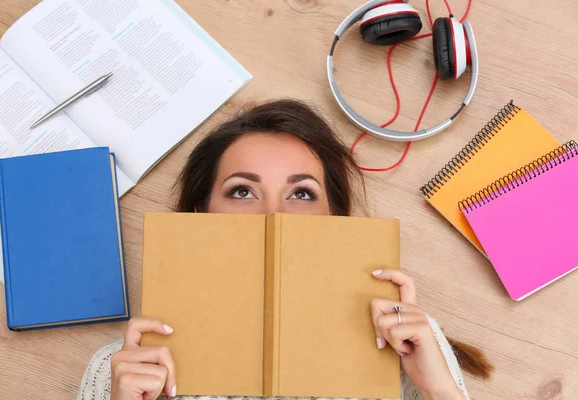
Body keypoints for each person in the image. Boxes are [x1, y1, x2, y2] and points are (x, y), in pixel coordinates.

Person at [77, 100, 491, 400]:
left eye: (302, 193)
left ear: (335, 216)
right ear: (200, 212)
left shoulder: (407, 343)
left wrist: (439, 390)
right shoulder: (122, 369)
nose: (274, 215)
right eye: (242, 191)